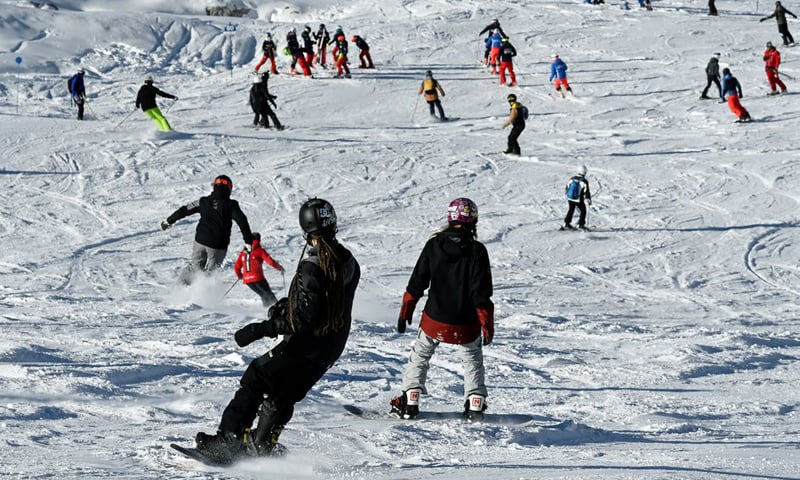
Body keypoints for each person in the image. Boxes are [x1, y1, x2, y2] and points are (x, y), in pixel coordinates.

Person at [194, 198, 361, 464]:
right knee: (284, 392)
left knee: (256, 376)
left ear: (305, 229)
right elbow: (323, 303)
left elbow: (304, 320)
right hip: (330, 347)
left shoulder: (313, 266)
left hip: (305, 346)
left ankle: (228, 441)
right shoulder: (347, 260)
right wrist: (287, 305)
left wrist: (261, 329)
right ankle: (263, 444)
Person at [390, 198, 494, 422]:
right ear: (473, 220)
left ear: (450, 218)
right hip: (466, 323)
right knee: (472, 357)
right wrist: (486, 323)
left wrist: (406, 310)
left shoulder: (434, 244)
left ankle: (411, 396)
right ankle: (475, 400)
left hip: (435, 320)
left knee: (421, 354)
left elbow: (417, 281)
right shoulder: (478, 251)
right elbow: (481, 294)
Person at [160, 175, 254, 285]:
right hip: (217, 245)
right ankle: (201, 297)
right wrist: (248, 242)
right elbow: (242, 220)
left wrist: (169, 221)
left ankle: (178, 291)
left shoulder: (203, 201)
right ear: (229, 189)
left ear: (214, 186)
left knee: (194, 268)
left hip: (200, 240)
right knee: (211, 273)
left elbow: (184, 210)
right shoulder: (231, 205)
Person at [234, 232, 284, 308]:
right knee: (269, 294)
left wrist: (240, 276)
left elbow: (236, 266)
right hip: (257, 278)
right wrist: (280, 268)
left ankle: (267, 310)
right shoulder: (259, 250)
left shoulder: (243, 252)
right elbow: (270, 261)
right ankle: (279, 310)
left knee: (263, 295)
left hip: (247, 280)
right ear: (258, 240)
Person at [562, 165, 593, 230]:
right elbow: (586, 191)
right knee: (583, 211)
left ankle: (566, 223)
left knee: (571, 209)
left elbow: (567, 187)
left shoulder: (572, 178)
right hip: (578, 199)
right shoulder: (584, 181)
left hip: (570, 198)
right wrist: (588, 199)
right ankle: (580, 224)